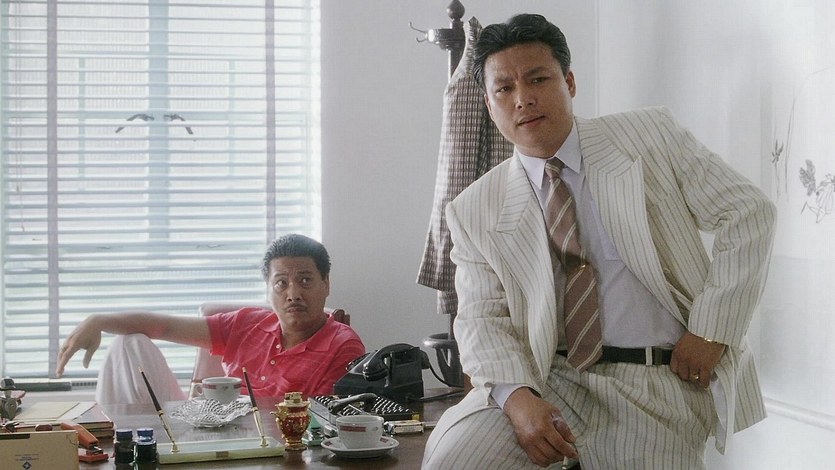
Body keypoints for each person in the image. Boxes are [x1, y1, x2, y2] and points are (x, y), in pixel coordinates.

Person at [422, 14, 776, 470]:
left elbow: (748, 212)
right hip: (546, 379)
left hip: (655, 381)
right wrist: (517, 400)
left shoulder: (649, 137)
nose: (523, 99)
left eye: (538, 79)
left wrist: (714, 328)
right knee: (454, 461)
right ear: (490, 106)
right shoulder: (474, 208)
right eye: (504, 89)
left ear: (569, 82)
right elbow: (481, 318)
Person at [56, 233, 365, 402]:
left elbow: (324, 420)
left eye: (306, 280)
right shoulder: (248, 323)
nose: (293, 293)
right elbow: (163, 326)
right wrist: (98, 321)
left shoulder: (343, 345)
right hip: (206, 428)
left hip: (277, 445)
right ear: (268, 289)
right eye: (281, 283)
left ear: (326, 285)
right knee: (128, 344)